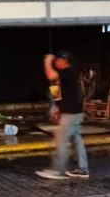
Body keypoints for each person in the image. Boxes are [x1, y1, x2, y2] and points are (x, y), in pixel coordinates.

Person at [36, 51, 90, 180]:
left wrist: (47, 61)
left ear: (65, 61)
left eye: (58, 60)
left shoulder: (69, 71)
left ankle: (57, 170)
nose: (56, 62)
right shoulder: (63, 75)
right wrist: (56, 108)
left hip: (71, 114)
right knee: (77, 141)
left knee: (60, 140)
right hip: (72, 112)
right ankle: (83, 169)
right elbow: (56, 90)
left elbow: (50, 75)